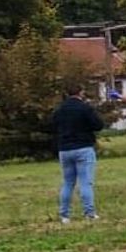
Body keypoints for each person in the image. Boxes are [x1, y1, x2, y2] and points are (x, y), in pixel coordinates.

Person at [51, 83, 105, 223]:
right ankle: (89, 213)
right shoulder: (85, 108)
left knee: (68, 182)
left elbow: (52, 125)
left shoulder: (60, 109)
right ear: (81, 93)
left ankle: (64, 214)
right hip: (83, 147)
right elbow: (98, 125)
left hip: (64, 149)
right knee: (85, 182)